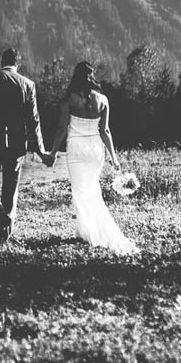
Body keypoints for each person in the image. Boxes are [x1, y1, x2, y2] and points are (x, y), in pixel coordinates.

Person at [50, 61, 137, 254]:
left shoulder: (68, 100)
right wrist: (113, 158)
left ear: (76, 77)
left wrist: (53, 152)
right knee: (92, 190)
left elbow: (62, 129)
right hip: (96, 151)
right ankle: (84, 232)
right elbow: (105, 130)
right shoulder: (103, 100)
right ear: (92, 77)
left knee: (80, 192)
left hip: (76, 150)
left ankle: (90, 233)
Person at [0, 48, 50, 242]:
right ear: (18, 64)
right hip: (16, 143)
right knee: (11, 188)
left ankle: (1, 220)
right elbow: (34, 120)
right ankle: (5, 230)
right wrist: (40, 150)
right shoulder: (28, 85)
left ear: (2, 61)